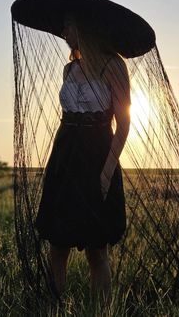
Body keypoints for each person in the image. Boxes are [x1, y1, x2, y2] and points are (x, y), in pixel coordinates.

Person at [36, 16, 131, 304]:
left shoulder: (113, 65)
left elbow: (124, 124)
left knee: (96, 249)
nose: (63, 32)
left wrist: (106, 173)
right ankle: (53, 308)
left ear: (85, 28)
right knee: (57, 244)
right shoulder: (69, 69)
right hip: (65, 155)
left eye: (68, 26)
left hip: (97, 157)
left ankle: (101, 312)